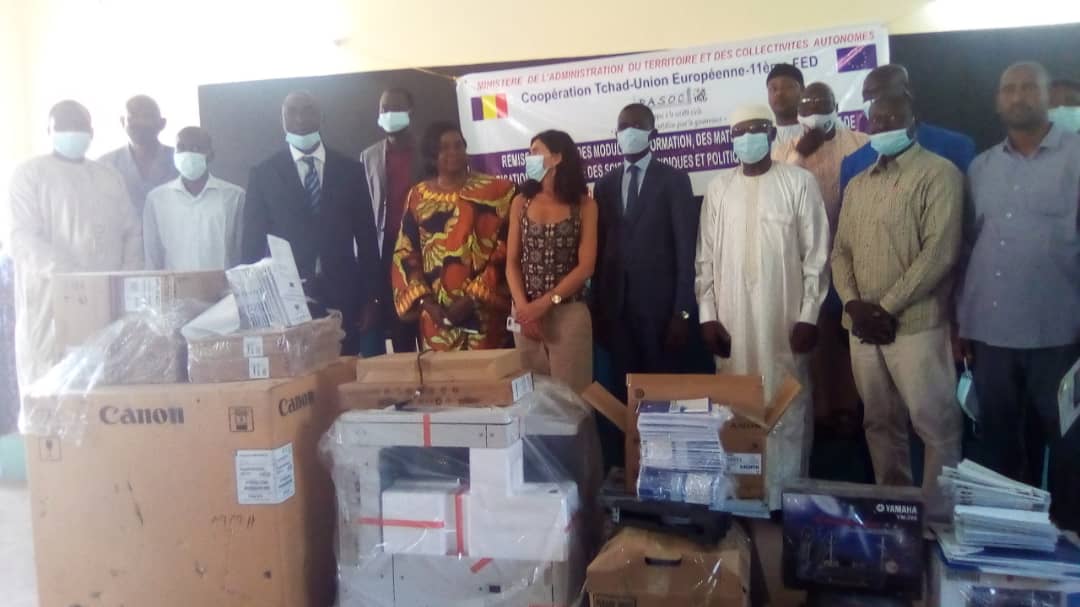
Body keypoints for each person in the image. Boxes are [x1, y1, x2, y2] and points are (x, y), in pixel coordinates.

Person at [957, 63, 1080, 531]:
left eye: (1029, 87)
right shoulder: (981, 167)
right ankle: (1009, 538)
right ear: (997, 101)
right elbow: (971, 247)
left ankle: (1069, 541)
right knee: (1000, 446)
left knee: (1070, 447)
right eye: (1008, 88)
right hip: (992, 335)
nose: (1018, 96)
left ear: (1048, 96)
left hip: (1061, 336)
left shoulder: (1076, 157)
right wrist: (962, 323)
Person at [832, 92, 963, 513]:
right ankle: (896, 513)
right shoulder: (857, 184)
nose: (883, 124)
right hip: (863, 328)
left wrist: (885, 307)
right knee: (879, 422)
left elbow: (939, 253)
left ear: (912, 121)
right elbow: (840, 253)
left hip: (916, 325)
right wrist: (853, 305)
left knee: (935, 426)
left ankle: (937, 521)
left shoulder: (939, 174)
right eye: (876, 119)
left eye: (893, 117)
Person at [696, 104, 829, 510]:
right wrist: (707, 315)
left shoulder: (800, 183)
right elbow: (706, 258)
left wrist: (809, 316)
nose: (747, 138)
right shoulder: (719, 189)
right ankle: (741, 498)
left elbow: (816, 256)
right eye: (739, 131)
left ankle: (785, 502)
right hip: (732, 321)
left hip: (784, 321)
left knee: (785, 405)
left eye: (756, 129)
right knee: (735, 407)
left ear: (772, 135)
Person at [8, 100, 142, 388]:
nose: (72, 131)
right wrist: (73, 278)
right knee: (51, 385)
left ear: (91, 132)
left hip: (107, 301)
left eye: (79, 125)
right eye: (64, 126)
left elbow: (132, 232)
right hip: (50, 304)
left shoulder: (108, 175)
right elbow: (22, 238)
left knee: (105, 383)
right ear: (49, 131)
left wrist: (123, 279)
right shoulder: (29, 174)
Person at [242, 91, 382, 356]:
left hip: (344, 295)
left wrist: (372, 298)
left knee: (344, 371)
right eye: (291, 112)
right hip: (287, 299)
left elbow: (367, 239)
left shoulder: (350, 171)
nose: (299, 119)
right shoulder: (264, 174)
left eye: (307, 110)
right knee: (296, 372)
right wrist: (253, 305)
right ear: (282, 120)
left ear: (321, 117)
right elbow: (252, 244)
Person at [772, 82, 869, 427]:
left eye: (822, 105)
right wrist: (800, 154)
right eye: (807, 107)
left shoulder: (861, 143)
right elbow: (778, 196)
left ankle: (851, 409)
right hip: (803, 261)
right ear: (798, 114)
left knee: (848, 336)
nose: (814, 113)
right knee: (813, 335)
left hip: (854, 255)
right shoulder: (783, 151)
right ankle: (821, 412)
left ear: (835, 107)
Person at [592, 103, 699, 398]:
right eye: (623, 126)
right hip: (617, 312)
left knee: (662, 395)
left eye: (637, 126)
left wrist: (683, 313)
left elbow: (686, 251)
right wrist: (598, 310)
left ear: (653, 133)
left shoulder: (674, 180)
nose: (629, 132)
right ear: (615, 133)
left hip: (662, 314)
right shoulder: (604, 185)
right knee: (624, 395)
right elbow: (600, 252)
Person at [391, 122, 515, 351]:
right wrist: (427, 303)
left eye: (458, 145)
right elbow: (406, 252)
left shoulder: (499, 191)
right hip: (436, 321)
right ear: (431, 156)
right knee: (443, 375)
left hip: (486, 317)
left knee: (489, 372)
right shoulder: (418, 196)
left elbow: (508, 249)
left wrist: (473, 297)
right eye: (444, 148)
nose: (454, 152)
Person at [506, 130, 598, 392]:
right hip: (525, 316)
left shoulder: (585, 205)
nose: (530, 158)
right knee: (532, 398)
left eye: (536, 151)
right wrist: (524, 309)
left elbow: (586, 267)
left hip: (568, 314)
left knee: (572, 400)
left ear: (557, 158)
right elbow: (512, 262)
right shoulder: (520, 202)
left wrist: (546, 303)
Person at [839, 64, 975, 194]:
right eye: (867, 96)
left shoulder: (956, 148)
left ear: (908, 93)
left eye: (880, 92)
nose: (872, 101)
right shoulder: (853, 164)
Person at [361, 88, 421, 353]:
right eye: (384, 109)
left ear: (410, 111)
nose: (388, 114)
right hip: (386, 252)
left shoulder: (428, 152)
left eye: (395, 108)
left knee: (429, 327)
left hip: (424, 248)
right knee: (400, 330)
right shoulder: (369, 156)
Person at [143, 127, 245, 271]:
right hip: (174, 284)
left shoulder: (234, 196)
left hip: (222, 283)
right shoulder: (156, 199)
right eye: (181, 148)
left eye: (196, 148)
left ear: (210, 155)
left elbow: (241, 250)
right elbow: (152, 255)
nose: (187, 154)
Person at [99, 95, 177, 214]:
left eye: (147, 116)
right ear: (122, 122)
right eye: (133, 116)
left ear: (162, 123)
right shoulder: (105, 165)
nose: (140, 122)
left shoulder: (180, 161)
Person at [766, 63, 806, 146]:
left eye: (787, 87)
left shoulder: (819, 134)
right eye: (773, 89)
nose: (779, 93)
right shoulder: (763, 142)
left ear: (803, 90)